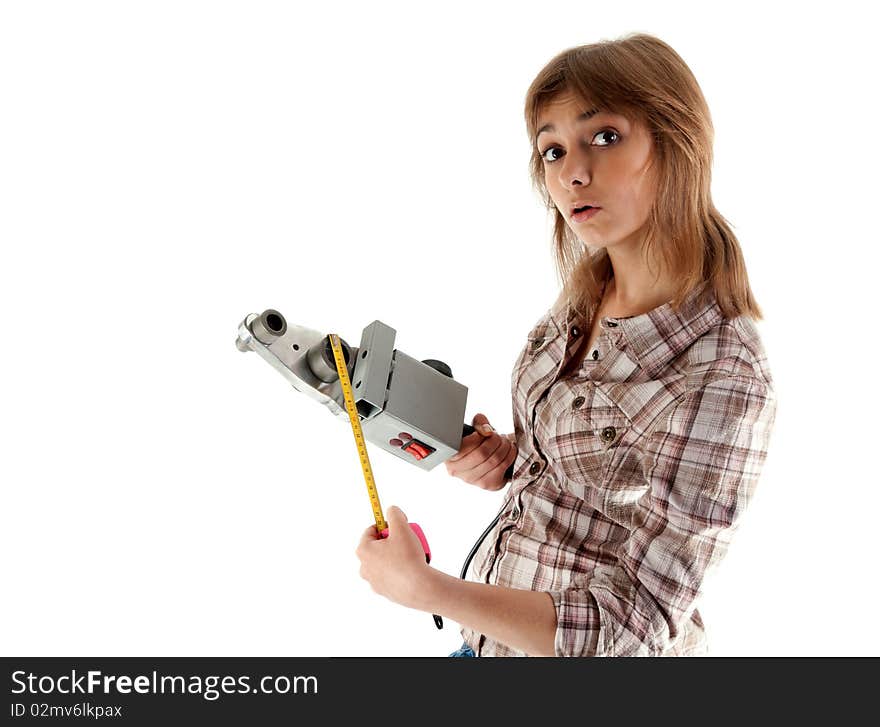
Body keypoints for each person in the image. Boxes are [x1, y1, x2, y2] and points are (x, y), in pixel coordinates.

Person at [355, 32, 777, 657]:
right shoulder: (586, 297)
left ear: (677, 142)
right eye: (551, 150)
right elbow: (585, 476)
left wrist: (430, 591)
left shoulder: (725, 373)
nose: (573, 172)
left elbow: (638, 619)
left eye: (604, 136)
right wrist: (505, 454)